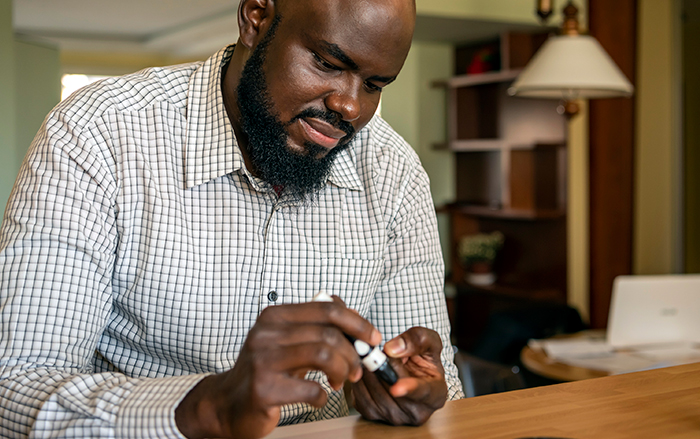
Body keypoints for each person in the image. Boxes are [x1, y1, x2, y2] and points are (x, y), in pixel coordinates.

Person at [0, 0, 465, 437]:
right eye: (327, 63)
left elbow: (435, 390)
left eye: (375, 84)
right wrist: (207, 407)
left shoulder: (393, 172)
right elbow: (14, 388)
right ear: (256, 18)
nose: (350, 106)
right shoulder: (99, 135)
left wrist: (413, 398)